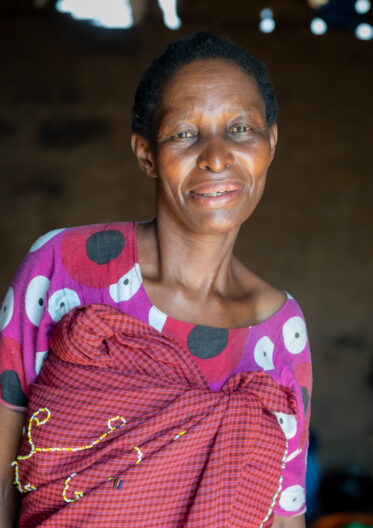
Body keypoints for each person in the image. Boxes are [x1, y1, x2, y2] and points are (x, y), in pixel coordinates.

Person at [0, 32, 312, 527]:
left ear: (270, 143)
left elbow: (284, 511)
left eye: (240, 128)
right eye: (185, 133)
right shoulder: (64, 267)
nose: (215, 156)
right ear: (146, 154)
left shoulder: (279, 329)